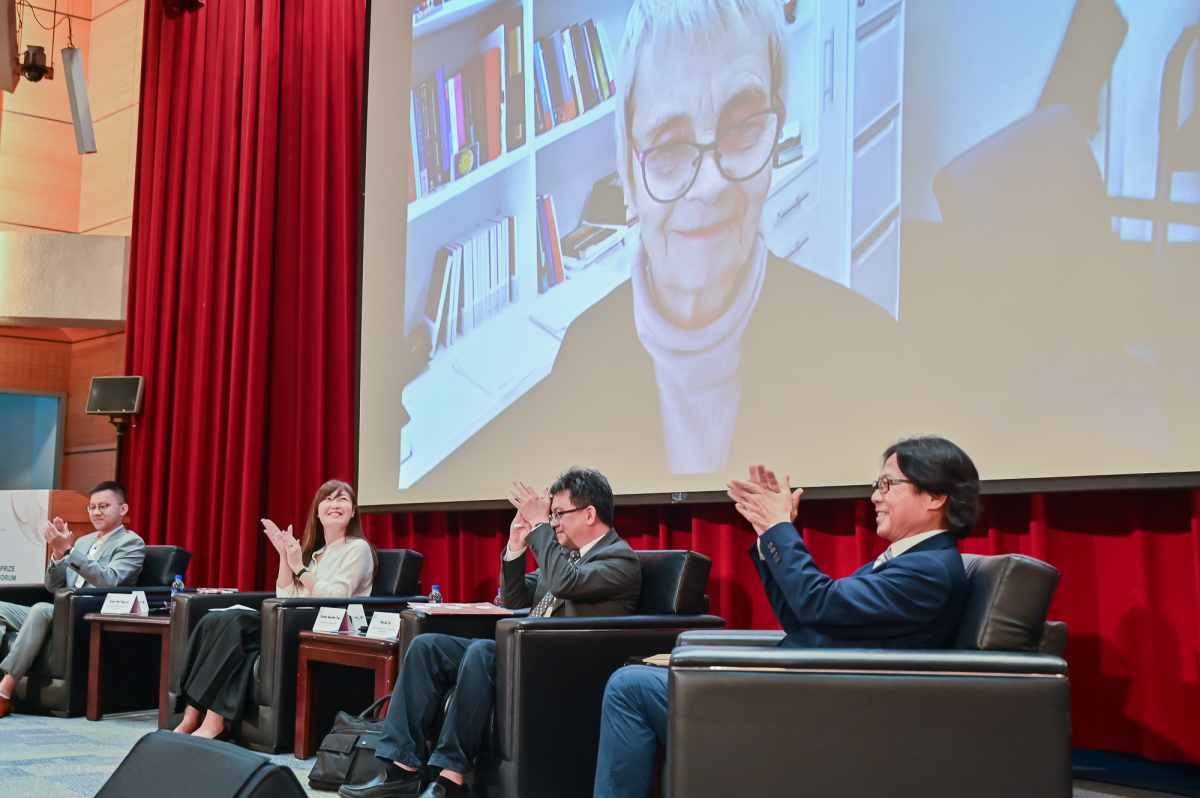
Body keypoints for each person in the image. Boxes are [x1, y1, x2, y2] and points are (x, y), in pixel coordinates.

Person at [416, 0, 900, 490]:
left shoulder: (869, 359)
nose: (710, 185)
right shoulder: (579, 367)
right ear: (627, 168)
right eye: (669, 145)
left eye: (743, 127)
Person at [592, 436, 980, 798]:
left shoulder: (928, 571)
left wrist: (780, 528)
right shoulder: (916, 562)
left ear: (934, 496)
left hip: (808, 708)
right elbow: (805, 619)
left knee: (630, 687)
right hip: (800, 689)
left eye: (886, 485)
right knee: (640, 679)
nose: (874, 497)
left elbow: (818, 603)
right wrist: (767, 533)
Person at [341, 467, 640, 798]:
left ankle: (451, 779)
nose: (553, 523)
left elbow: (564, 583)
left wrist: (540, 527)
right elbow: (515, 598)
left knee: (482, 651)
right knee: (427, 647)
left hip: (565, 665)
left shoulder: (619, 559)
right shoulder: (565, 556)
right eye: (550, 516)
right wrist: (515, 545)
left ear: (589, 514)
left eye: (558, 514)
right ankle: (401, 771)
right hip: (524, 652)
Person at [171, 479, 376, 739]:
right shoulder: (314, 554)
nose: (335, 504)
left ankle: (211, 725)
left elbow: (338, 596)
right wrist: (284, 557)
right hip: (293, 619)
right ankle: (191, 719)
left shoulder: (357, 548)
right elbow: (286, 595)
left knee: (234, 622)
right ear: (317, 511)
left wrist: (299, 567)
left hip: (326, 624)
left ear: (353, 511)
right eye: (328, 499)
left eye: (343, 499)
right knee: (214, 621)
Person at [0, 481, 145, 719]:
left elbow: (110, 581)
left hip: (89, 614)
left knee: (40, 610)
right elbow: (54, 586)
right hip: (59, 610)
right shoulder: (83, 541)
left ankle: (4, 693)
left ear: (123, 509)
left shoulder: (131, 543)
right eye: (92, 507)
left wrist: (68, 551)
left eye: (104, 506)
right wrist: (58, 554)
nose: (96, 512)